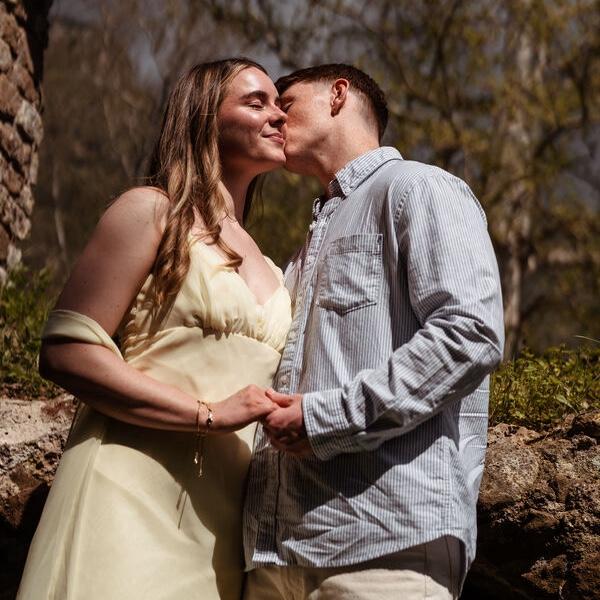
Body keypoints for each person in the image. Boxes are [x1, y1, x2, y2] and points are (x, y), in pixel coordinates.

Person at [17, 58, 291, 600]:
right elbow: (67, 350)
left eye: (280, 105)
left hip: (220, 529)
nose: (279, 115)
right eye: (255, 102)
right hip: (127, 496)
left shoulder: (275, 266)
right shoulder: (150, 212)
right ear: (203, 117)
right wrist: (208, 414)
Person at [243, 64, 505, 600]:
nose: (274, 119)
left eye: (285, 104)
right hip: (275, 557)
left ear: (338, 95)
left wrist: (325, 419)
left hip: (384, 546)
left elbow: (470, 332)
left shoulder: (418, 188)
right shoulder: (305, 248)